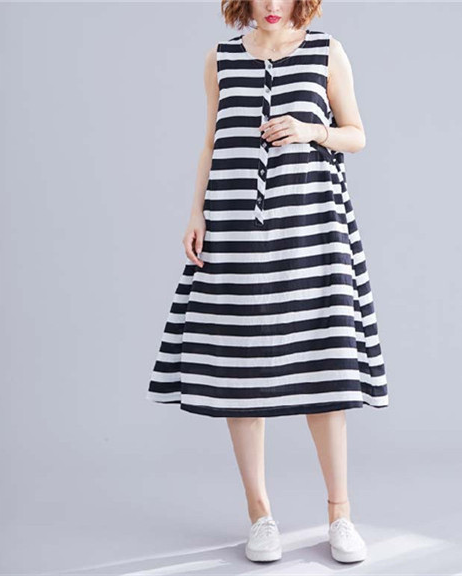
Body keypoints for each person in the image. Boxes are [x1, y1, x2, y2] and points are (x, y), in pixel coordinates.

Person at [146, 0, 390, 564]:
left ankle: (340, 515)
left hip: (311, 224)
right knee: (241, 367)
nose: (273, 5)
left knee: (323, 362)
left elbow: (356, 135)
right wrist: (196, 212)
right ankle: (260, 516)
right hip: (236, 224)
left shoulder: (326, 51)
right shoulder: (221, 57)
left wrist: (310, 130)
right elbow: (212, 140)